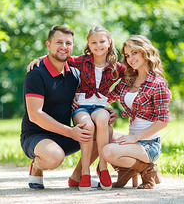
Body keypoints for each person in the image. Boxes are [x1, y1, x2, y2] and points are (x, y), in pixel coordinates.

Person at [27, 26, 126, 190]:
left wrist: (112, 106)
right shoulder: (36, 73)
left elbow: (129, 76)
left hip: (70, 130)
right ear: (48, 45)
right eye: (59, 42)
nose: (63, 47)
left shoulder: (74, 73)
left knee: (106, 129)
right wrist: (40, 58)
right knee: (55, 156)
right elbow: (35, 115)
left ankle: (81, 175)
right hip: (38, 134)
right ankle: (38, 166)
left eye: (68, 43)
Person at [102, 35, 171, 189]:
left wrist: (134, 138)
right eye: (127, 55)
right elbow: (107, 97)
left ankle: (147, 168)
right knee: (100, 131)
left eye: (134, 53)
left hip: (149, 144)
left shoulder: (157, 83)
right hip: (133, 140)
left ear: (145, 52)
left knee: (107, 151)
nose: (130, 58)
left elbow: (163, 121)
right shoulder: (128, 80)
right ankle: (135, 169)